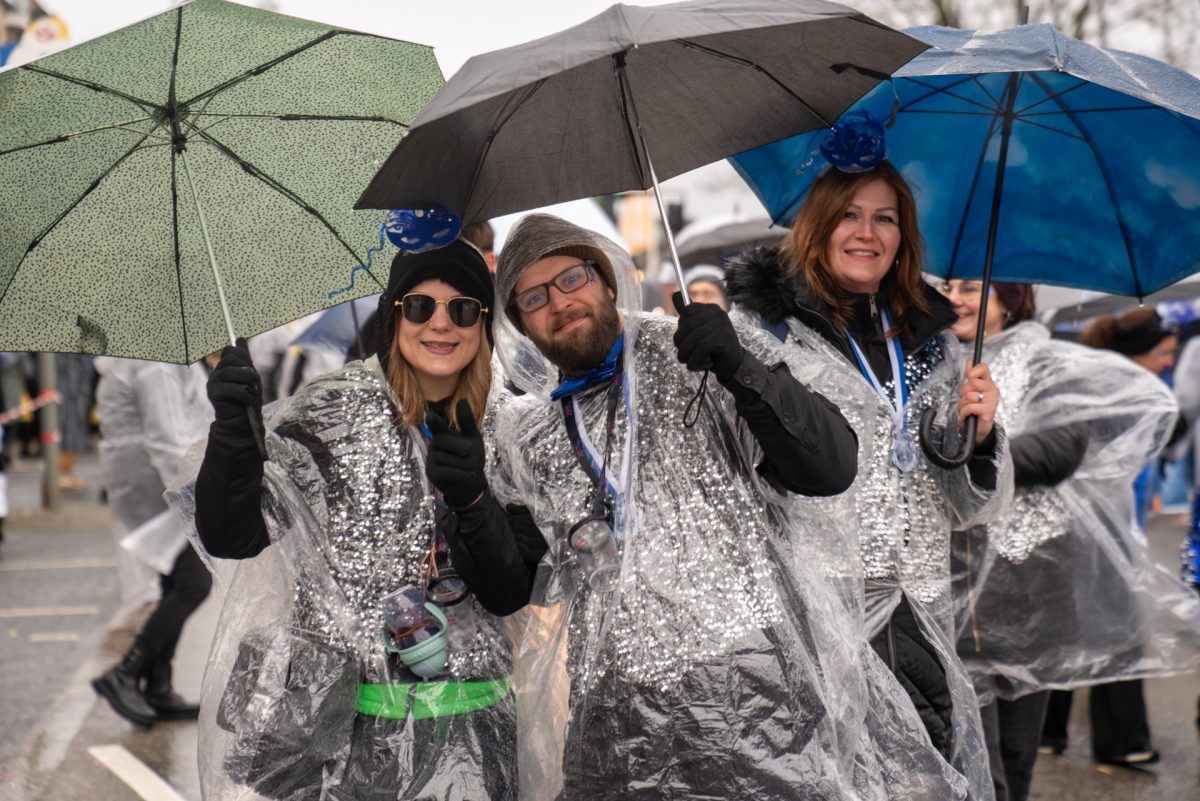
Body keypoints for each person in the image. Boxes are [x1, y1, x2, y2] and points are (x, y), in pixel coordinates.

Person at [435, 212, 971, 800]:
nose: (559, 302)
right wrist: (471, 502)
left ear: (606, 281)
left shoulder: (697, 353)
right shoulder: (528, 434)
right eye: (534, 297)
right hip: (618, 730)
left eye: (571, 278)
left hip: (763, 704)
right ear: (518, 322)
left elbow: (830, 467)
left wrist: (741, 368)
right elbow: (512, 589)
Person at [175, 239, 535, 801]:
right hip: (346, 741)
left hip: (475, 736)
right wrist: (233, 438)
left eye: (464, 308)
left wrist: (473, 501)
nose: (441, 323)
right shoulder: (330, 412)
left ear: (484, 323)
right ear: (393, 317)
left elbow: (510, 591)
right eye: (420, 306)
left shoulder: (513, 426)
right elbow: (231, 534)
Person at [724, 160, 1011, 800]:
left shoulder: (932, 342)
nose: (867, 232)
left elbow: (965, 504)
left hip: (921, 616)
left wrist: (979, 434)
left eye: (885, 218)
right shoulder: (767, 335)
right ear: (817, 226)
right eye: (849, 215)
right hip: (818, 623)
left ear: (903, 236)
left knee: (928, 778)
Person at [939, 281, 1193, 797]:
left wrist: (975, 448)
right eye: (947, 287)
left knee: (1016, 751)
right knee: (969, 753)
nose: (955, 299)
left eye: (971, 288)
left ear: (1010, 299)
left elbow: (1061, 450)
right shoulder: (928, 366)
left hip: (1029, 586)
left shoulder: (1048, 365)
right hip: (949, 583)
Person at [1040, 308, 1191, 766]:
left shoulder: (1110, 384)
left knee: (1067, 629)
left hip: (1098, 527)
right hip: (1093, 530)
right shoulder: (1117, 393)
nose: (1169, 363)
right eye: (1163, 354)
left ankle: (1051, 732)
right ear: (1138, 353)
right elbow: (1172, 428)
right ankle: (1120, 742)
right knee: (1116, 631)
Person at [90, 356, 216, 726]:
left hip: (152, 483)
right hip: (159, 486)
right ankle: (126, 673)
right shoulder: (155, 364)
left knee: (175, 583)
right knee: (193, 584)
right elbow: (165, 439)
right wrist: (191, 496)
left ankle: (158, 685)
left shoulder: (162, 360)